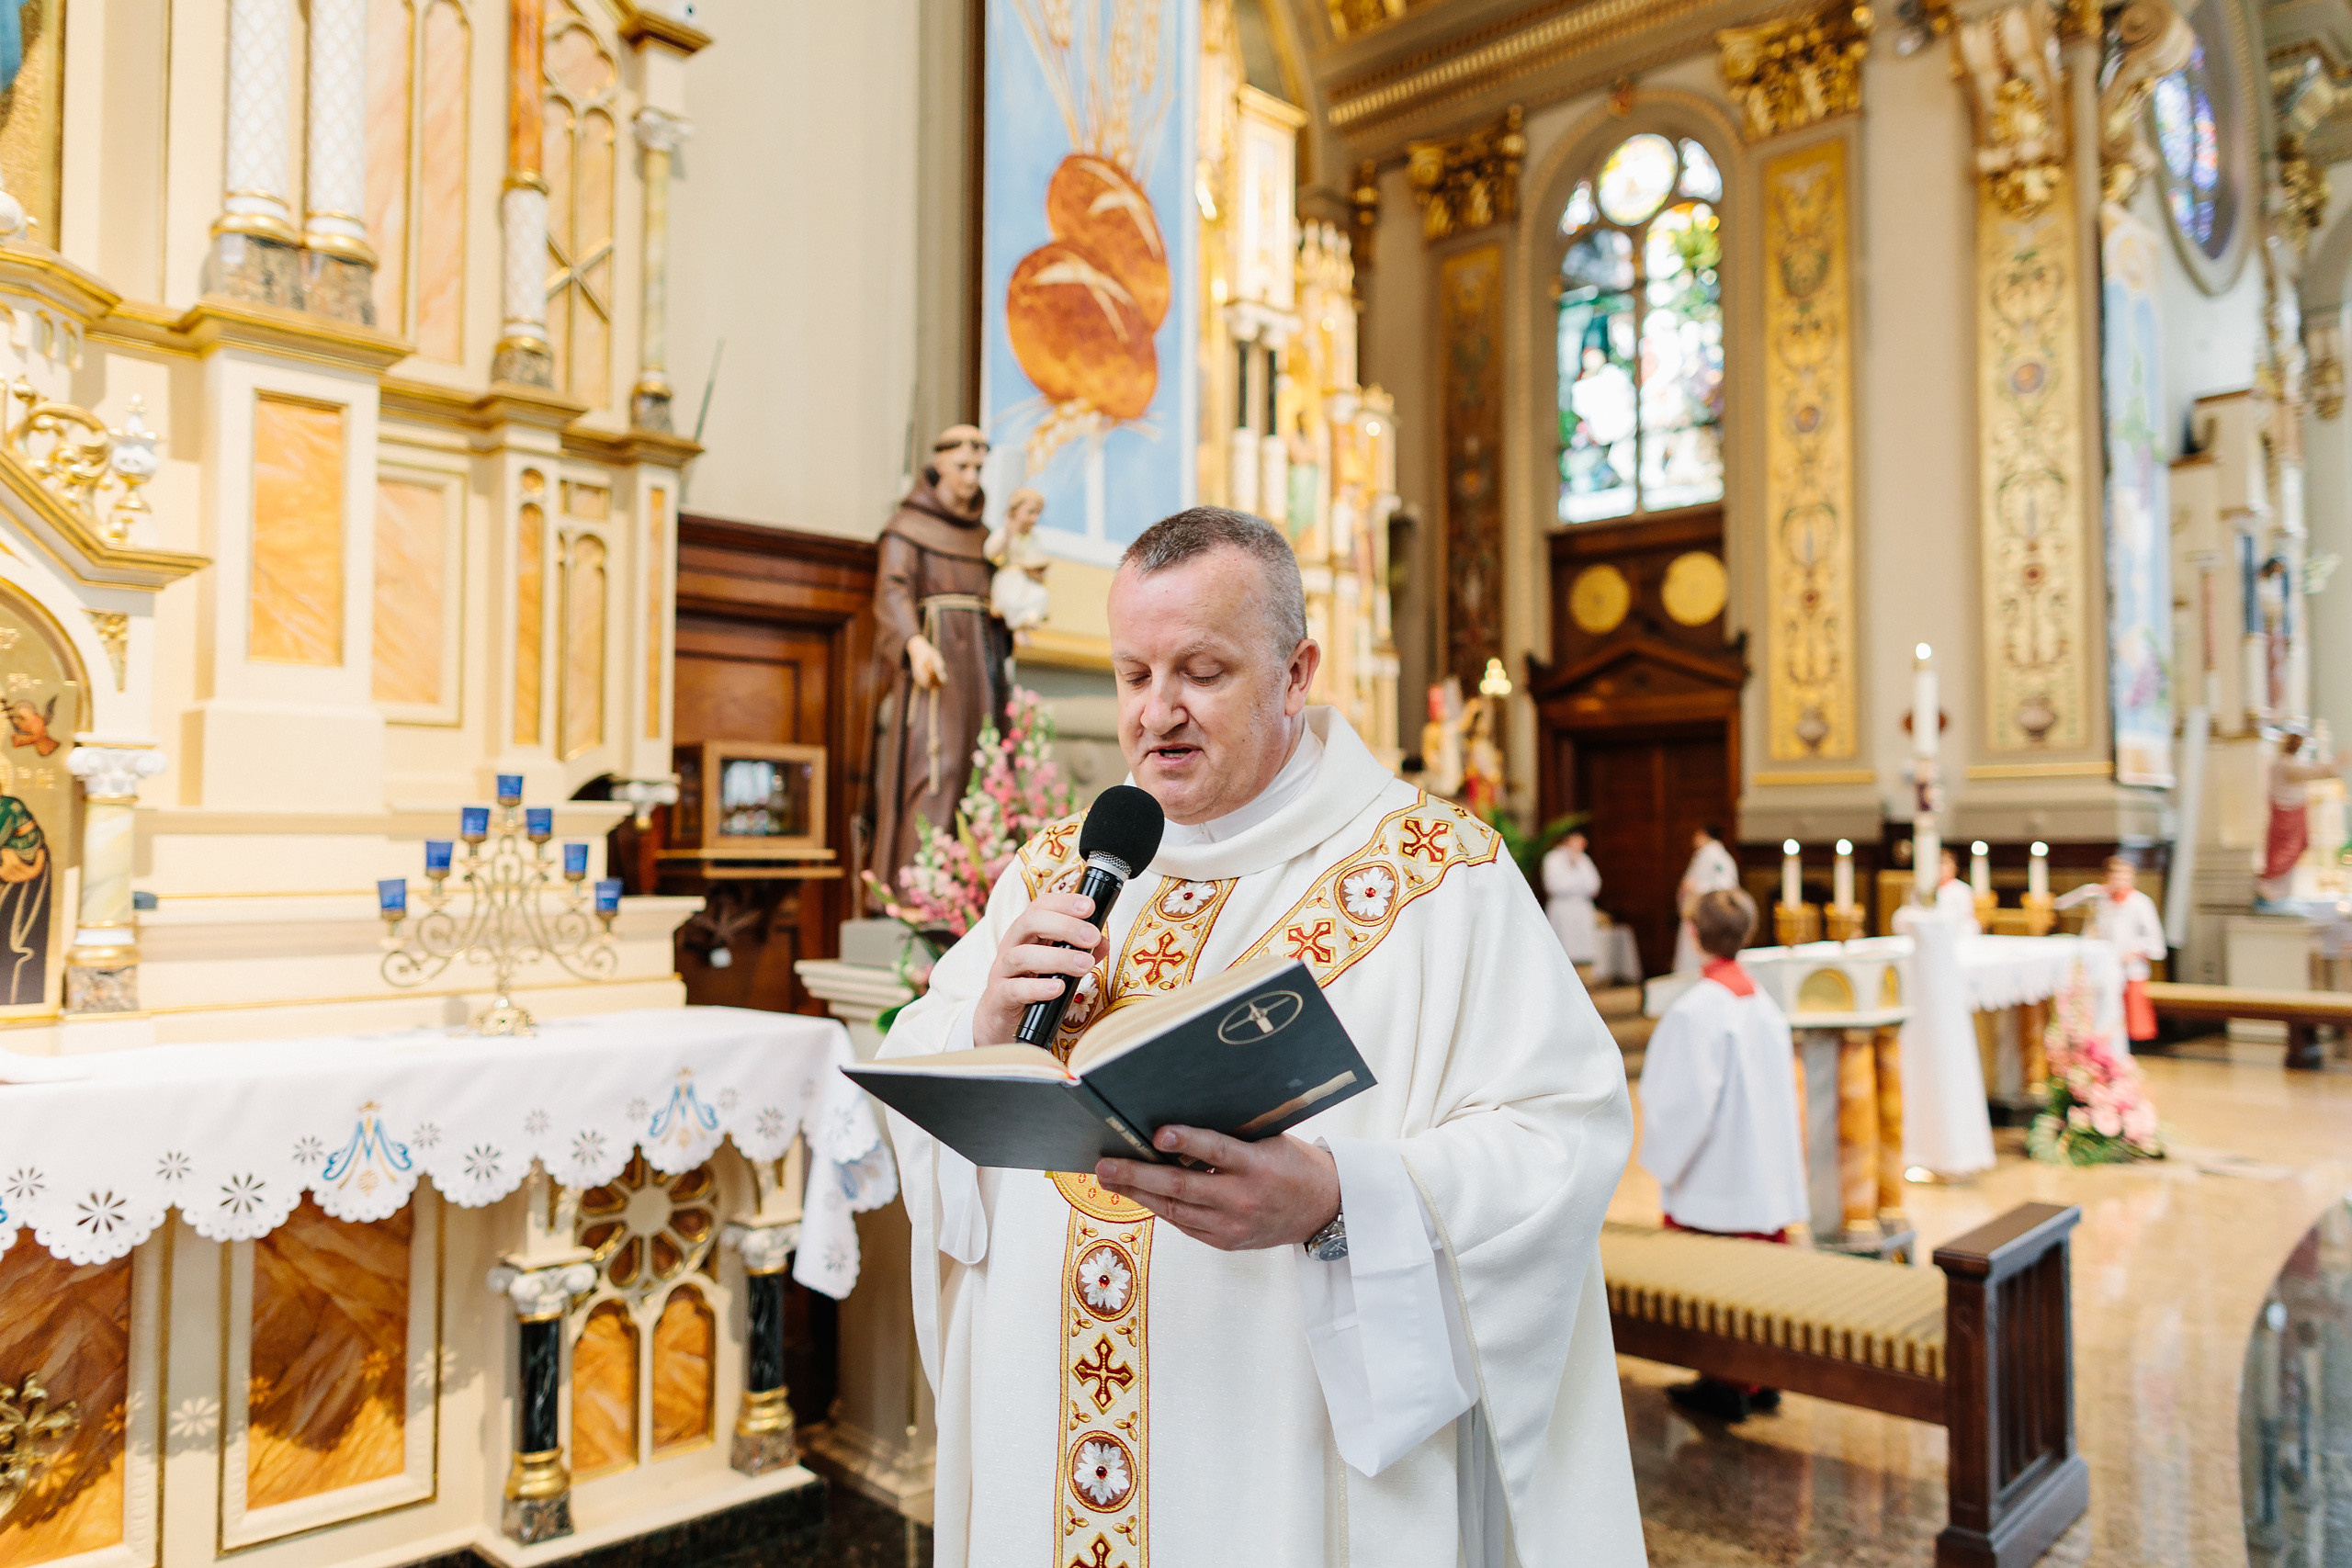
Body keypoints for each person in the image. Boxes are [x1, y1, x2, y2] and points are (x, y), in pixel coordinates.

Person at [880, 508, 1642, 1566]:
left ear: (1295, 673)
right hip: (1047, 1434)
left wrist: (1339, 1199)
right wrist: (981, 1020)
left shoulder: (1437, 874)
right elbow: (918, 1067)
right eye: (1133, 674)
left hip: (1273, 1454)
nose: (1157, 714)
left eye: (1201, 671)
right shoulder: (1062, 864)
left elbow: (1564, 1137)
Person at [1636, 886, 1808, 1422]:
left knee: (1717, 1283)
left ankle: (1726, 1382)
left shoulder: (1695, 1011)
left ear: (1693, 934)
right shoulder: (1762, 1002)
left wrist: (1663, 1157)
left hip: (1718, 1174)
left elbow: (1683, 1104)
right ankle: (1761, 1378)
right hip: (1761, 1171)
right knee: (1761, 1283)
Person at [867, 426, 1012, 888]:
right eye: (962, 467)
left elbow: (1002, 589)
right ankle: (919, 885)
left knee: (980, 765)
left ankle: (969, 889)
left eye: (978, 469)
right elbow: (892, 588)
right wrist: (913, 642)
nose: (971, 478)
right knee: (936, 764)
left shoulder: (985, 537)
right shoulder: (906, 527)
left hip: (981, 663)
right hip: (936, 658)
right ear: (939, 466)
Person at [2057, 857, 2167, 1043]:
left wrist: (2133, 951)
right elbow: (2061, 904)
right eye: (2115, 874)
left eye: (2125, 875)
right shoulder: (2099, 899)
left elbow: (2157, 944)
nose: (2120, 879)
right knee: (2094, 1016)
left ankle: (2120, 1054)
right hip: (2098, 969)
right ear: (2107, 876)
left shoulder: (2140, 902)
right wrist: (2090, 890)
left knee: (2121, 1023)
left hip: (2128, 970)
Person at [2258, 730, 2343, 906]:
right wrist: (2338, 762)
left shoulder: (2287, 764)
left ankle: (2282, 892)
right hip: (2285, 816)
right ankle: (2272, 889)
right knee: (2283, 853)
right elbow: (2312, 772)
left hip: (2293, 813)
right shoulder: (2285, 765)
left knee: (2297, 847)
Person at [1673, 823, 1739, 974]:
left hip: (1705, 915)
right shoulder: (1710, 855)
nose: (1694, 839)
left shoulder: (1712, 856)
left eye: (1696, 835)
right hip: (1701, 913)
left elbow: (1724, 886)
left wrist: (1694, 888)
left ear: (1703, 834)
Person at [1544, 830, 1601, 978]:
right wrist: (1577, 883)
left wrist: (1575, 878)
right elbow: (1554, 885)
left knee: (1583, 947)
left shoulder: (1584, 860)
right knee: (1563, 946)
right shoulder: (1553, 858)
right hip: (1562, 908)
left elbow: (1594, 885)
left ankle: (1583, 978)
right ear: (1568, 840)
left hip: (1581, 907)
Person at [1933, 848, 1980, 933]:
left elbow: (1966, 917)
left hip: (1957, 931)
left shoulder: (1962, 890)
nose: (1941, 868)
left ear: (1954, 867)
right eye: (1939, 863)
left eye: (1945, 863)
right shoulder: (1926, 889)